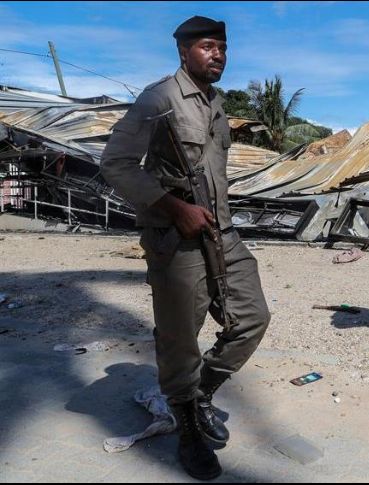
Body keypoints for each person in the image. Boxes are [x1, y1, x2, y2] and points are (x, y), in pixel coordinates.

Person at [101, 16, 271, 480]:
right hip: (175, 236)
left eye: (222, 47)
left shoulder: (217, 104)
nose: (217, 54)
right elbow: (115, 162)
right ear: (183, 52)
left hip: (223, 230)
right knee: (180, 336)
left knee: (252, 316)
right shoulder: (159, 99)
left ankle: (201, 394)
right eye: (207, 47)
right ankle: (188, 427)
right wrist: (173, 207)